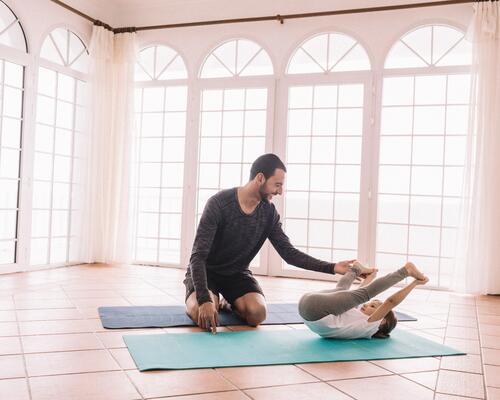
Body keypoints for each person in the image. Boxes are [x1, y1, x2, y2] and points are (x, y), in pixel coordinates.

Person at [183, 153, 370, 333]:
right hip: (207, 272)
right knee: (203, 314)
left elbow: (289, 253)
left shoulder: (269, 213)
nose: (280, 191)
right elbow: (197, 256)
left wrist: (333, 267)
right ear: (260, 178)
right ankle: (212, 298)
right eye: (277, 185)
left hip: (236, 275)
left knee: (258, 314)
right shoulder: (219, 204)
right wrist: (204, 298)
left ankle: (227, 302)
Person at [298, 261, 429, 339]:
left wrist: (414, 284)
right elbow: (353, 295)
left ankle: (405, 271)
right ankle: (356, 269)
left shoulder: (370, 326)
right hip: (309, 307)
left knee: (363, 293)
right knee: (345, 290)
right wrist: (370, 278)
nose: (366, 306)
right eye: (370, 304)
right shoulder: (356, 318)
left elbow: (391, 302)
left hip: (312, 309)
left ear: (382, 321)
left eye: (372, 307)